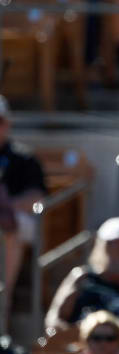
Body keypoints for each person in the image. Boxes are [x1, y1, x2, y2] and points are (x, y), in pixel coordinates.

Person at [0, 95, 48, 329]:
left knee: (11, 225)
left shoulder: (23, 158)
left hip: (19, 222)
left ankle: (4, 299)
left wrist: (6, 205)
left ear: (7, 124)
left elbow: (36, 198)